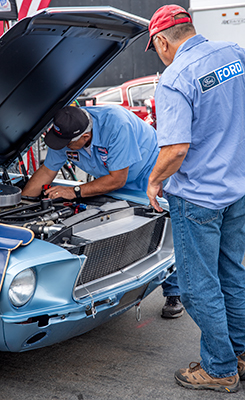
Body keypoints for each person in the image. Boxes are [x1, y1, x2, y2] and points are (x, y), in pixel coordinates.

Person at [146, 3, 245, 393]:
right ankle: (240, 353)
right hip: (237, 192)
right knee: (232, 275)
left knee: (196, 286)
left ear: (162, 41)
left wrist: (154, 182)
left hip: (199, 199)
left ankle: (220, 368)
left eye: (155, 49)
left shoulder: (174, 79)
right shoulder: (235, 55)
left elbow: (174, 150)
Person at [22, 104, 184, 317]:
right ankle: (115, 284)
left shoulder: (117, 125)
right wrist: (23, 204)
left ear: (86, 136)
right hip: (112, 175)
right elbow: (46, 171)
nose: (62, 147)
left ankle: (174, 292)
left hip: (150, 173)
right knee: (113, 227)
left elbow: (118, 179)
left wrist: (75, 191)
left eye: (67, 144)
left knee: (161, 229)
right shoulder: (66, 132)